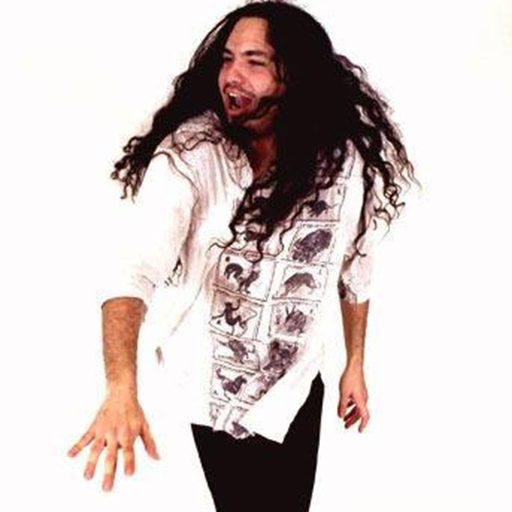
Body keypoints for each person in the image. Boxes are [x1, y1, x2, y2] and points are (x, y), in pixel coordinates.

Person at [67, 1, 419, 510]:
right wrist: (121, 387)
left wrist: (355, 363)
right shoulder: (190, 156)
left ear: (292, 75)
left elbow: (356, 267)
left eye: (254, 62)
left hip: (295, 385)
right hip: (216, 389)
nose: (232, 75)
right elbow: (132, 271)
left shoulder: (343, 161)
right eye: (227, 59)